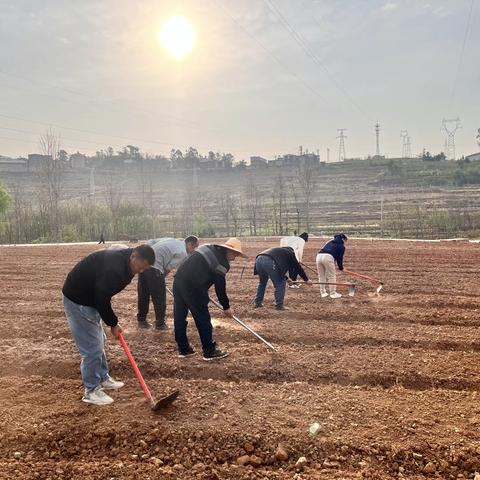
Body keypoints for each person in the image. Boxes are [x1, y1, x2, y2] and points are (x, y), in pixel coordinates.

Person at [62, 245, 155, 406]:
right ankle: (91, 391)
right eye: (140, 267)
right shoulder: (115, 269)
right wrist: (113, 323)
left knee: (100, 341)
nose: (141, 271)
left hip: (91, 297)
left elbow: (102, 295)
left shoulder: (126, 261)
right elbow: (102, 298)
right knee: (92, 348)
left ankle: (103, 377)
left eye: (144, 269)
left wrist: (110, 320)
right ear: (133, 256)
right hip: (78, 299)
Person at [173, 238, 246, 361]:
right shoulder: (222, 263)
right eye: (236, 254)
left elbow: (196, 267)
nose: (235, 257)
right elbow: (220, 287)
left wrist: (202, 287)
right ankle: (209, 350)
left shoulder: (207, 247)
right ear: (229, 250)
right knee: (203, 318)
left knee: (179, 317)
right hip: (193, 287)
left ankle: (184, 349)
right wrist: (226, 307)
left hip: (178, 281)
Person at [137, 236, 199, 330]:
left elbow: (151, 242)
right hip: (155, 268)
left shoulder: (171, 240)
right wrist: (160, 278)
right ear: (189, 244)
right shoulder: (183, 253)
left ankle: (141, 321)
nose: (193, 250)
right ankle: (160, 324)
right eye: (194, 247)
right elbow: (168, 268)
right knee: (159, 298)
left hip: (143, 265)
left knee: (143, 295)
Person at [316, 233, 348, 299]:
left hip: (319, 256)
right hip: (328, 257)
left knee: (321, 275)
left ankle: (323, 292)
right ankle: (333, 293)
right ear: (343, 239)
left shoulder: (329, 241)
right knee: (332, 276)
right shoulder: (341, 246)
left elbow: (323, 248)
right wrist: (341, 268)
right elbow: (340, 258)